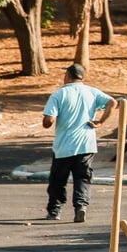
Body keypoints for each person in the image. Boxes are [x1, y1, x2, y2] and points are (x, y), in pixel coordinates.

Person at [41, 63, 114, 222]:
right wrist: (101, 121)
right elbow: (112, 102)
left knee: (58, 179)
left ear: (67, 75)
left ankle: (55, 211)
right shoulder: (92, 92)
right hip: (86, 144)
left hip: (64, 146)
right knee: (83, 178)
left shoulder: (59, 94)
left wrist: (49, 120)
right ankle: (81, 207)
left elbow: (48, 120)